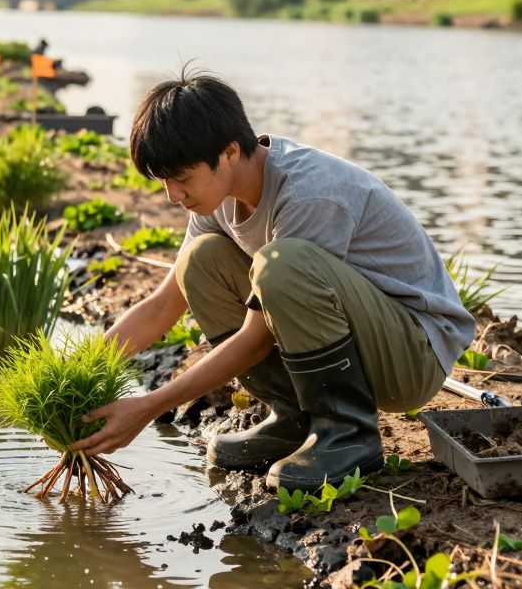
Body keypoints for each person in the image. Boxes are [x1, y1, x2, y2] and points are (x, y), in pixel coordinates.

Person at [69, 71, 473, 490]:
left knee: (280, 263)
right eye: (165, 181)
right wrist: (82, 371)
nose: (173, 195)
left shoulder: (307, 192)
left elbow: (257, 336)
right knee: (199, 260)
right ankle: (295, 419)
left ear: (227, 152)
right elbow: (163, 304)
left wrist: (148, 406)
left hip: (412, 354)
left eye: (182, 179)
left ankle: (349, 435)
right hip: (358, 336)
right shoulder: (215, 198)